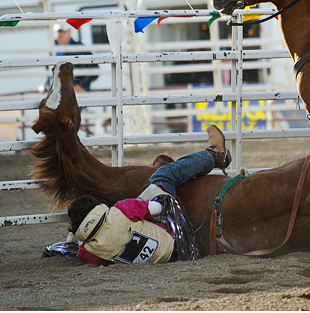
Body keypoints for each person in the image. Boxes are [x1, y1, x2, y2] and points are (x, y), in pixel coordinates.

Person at [67, 125, 231, 265]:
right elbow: (159, 207)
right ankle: (214, 155)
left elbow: (81, 248)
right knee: (162, 176)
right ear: (97, 208)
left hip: (168, 259)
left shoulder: (86, 252)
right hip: (177, 243)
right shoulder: (122, 209)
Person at [40, 21, 99, 93]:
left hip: (77, 92)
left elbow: (95, 69)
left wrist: (81, 85)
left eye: (63, 31)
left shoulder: (79, 48)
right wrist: (47, 86)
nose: (61, 34)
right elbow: (50, 74)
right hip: (57, 91)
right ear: (54, 32)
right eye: (59, 31)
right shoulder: (51, 48)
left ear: (69, 31)